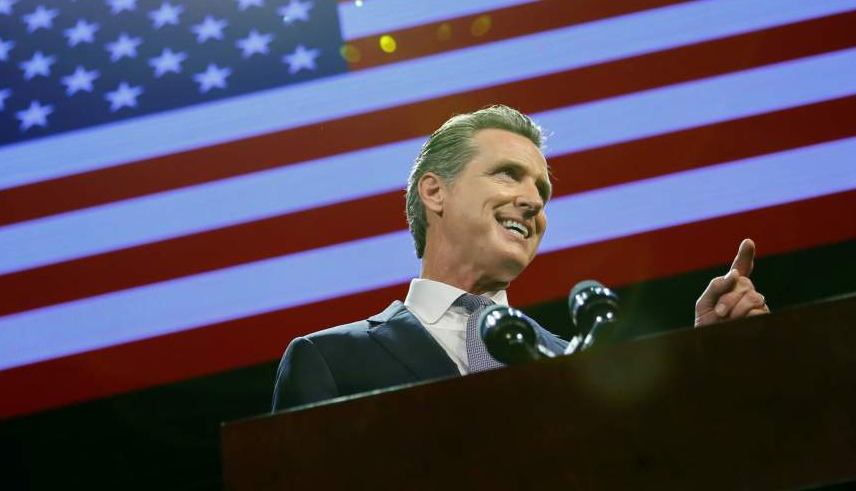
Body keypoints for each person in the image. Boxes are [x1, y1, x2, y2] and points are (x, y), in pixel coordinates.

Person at [271, 105, 769, 411]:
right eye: (508, 174)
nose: (533, 201)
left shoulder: (578, 363)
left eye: (543, 190)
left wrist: (710, 361)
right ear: (434, 192)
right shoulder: (330, 361)